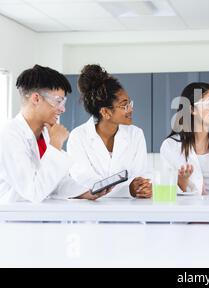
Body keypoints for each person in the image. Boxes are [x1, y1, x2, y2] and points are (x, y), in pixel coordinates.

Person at [0, 65, 106, 203]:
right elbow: (34, 191)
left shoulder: (45, 133)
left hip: (40, 217)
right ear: (36, 99)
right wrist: (55, 145)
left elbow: (55, 183)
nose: (62, 109)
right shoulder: (9, 136)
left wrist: (86, 192)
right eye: (58, 101)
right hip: (13, 220)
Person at [67, 65, 152, 198]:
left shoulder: (136, 134)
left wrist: (141, 187)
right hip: (92, 214)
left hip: (129, 212)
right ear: (105, 112)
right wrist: (128, 189)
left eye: (129, 103)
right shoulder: (78, 137)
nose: (130, 109)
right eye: (124, 105)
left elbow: (140, 176)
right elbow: (84, 184)